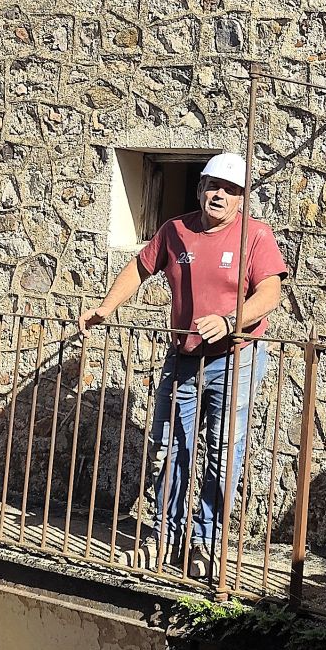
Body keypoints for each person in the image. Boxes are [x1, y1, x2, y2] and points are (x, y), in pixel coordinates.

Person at [78, 150, 288, 578]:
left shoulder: (257, 236)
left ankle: (206, 542)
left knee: (222, 452)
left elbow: (270, 293)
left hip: (237, 359)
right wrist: (105, 308)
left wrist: (230, 321)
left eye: (231, 190)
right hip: (184, 357)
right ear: (200, 189)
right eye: (213, 186)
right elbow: (139, 268)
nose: (220, 195)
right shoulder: (175, 230)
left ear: (243, 199)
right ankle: (165, 537)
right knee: (171, 447)